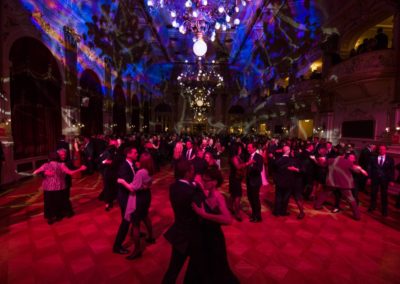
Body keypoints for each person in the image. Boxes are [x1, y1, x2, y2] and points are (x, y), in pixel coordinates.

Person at [191, 167, 240, 284]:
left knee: (218, 270)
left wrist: (204, 214)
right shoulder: (209, 193)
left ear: (215, 182)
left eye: (206, 180)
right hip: (208, 237)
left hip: (215, 238)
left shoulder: (218, 197)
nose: (204, 182)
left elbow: (228, 220)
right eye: (203, 180)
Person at [162, 160, 206, 284]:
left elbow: (187, 186)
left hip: (179, 232)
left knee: (173, 269)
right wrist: (200, 186)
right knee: (198, 268)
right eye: (192, 171)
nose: (194, 172)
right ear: (187, 173)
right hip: (192, 236)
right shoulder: (190, 192)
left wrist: (194, 184)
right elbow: (204, 204)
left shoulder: (174, 186)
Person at [118, 152, 155, 260]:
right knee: (145, 216)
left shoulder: (140, 173)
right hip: (146, 197)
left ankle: (137, 250)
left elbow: (133, 188)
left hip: (138, 199)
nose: (137, 156)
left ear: (142, 161)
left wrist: (122, 181)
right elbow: (148, 184)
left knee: (135, 224)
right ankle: (151, 236)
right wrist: (144, 186)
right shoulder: (150, 169)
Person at [313, 148, 367, 220]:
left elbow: (322, 165)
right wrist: (361, 170)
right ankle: (357, 216)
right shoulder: (347, 162)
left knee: (324, 193)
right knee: (351, 199)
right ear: (344, 155)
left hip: (331, 182)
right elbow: (355, 170)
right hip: (343, 184)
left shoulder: (330, 160)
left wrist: (316, 159)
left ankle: (317, 206)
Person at [33, 152, 86, 224]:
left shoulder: (45, 165)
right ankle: (58, 216)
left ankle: (50, 218)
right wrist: (80, 169)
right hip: (59, 187)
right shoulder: (61, 165)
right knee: (58, 202)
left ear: (49, 158)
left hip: (48, 188)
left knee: (49, 203)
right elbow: (71, 173)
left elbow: (35, 172)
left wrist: (44, 173)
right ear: (58, 158)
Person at [113, 146, 138, 254]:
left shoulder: (131, 164)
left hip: (129, 196)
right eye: (135, 152)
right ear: (128, 154)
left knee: (133, 217)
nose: (137, 154)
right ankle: (117, 246)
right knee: (125, 221)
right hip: (124, 198)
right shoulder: (124, 166)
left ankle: (135, 231)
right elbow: (123, 182)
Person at [368, 145, 395, 217]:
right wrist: (369, 178)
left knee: (384, 195)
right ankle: (372, 206)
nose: (381, 151)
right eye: (380, 149)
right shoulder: (373, 158)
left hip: (384, 180)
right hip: (374, 178)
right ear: (378, 150)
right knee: (373, 193)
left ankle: (384, 210)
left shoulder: (390, 159)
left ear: (386, 150)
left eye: (383, 149)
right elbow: (370, 168)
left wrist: (392, 180)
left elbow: (392, 170)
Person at [245, 142, 264, 222]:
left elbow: (260, 169)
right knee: (250, 198)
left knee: (255, 199)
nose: (248, 149)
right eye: (248, 147)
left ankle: (258, 216)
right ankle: (253, 214)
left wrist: (252, 166)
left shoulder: (259, 157)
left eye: (249, 147)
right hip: (249, 180)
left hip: (255, 181)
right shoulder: (248, 156)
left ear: (254, 148)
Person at [228, 142, 247, 221]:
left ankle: (230, 208)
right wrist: (248, 163)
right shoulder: (234, 157)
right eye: (239, 148)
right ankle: (237, 214)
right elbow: (238, 166)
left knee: (233, 195)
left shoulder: (235, 156)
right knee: (237, 196)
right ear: (236, 149)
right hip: (234, 179)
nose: (241, 150)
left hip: (234, 178)